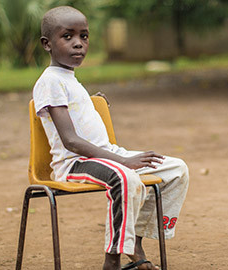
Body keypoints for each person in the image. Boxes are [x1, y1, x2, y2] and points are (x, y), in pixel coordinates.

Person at [32, 6, 189, 270]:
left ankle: (135, 245)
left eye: (84, 36)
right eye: (68, 37)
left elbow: (77, 114)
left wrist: (92, 103)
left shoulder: (69, 79)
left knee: (176, 169)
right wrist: (123, 161)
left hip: (105, 155)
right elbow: (71, 141)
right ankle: (112, 260)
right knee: (124, 176)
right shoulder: (49, 81)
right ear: (47, 44)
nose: (78, 44)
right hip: (74, 163)